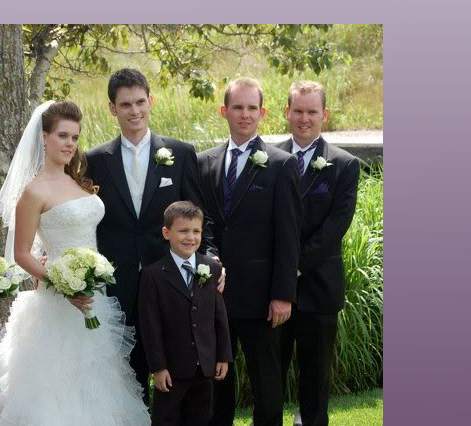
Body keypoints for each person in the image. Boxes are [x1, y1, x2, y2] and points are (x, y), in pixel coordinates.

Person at [0, 100, 150, 425]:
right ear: (44, 138)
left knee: (96, 386)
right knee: (57, 391)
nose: (69, 144)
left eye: (75, 137)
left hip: (93, 297)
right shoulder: (34, 193)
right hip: (56, 302)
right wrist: (64, 285)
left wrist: (86, 282)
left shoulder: (78, 181)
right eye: (62, 136)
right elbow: (22, 254)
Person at [84, 69, 218, 400]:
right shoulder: (94, 160)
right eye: (125, 104)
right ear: (112, 108)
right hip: (118, 281)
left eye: (140, 102)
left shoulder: (181, 153)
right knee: (127, 375)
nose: (135, 111)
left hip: (171, 278)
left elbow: (198, 214)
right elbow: (86, 220)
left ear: (151, 101)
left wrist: (210, 258)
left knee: (174, 370)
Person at [196, 77, 302, 426]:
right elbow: (202, 222)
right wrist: (209, 257)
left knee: (266, 383)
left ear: (262, 113)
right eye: (238, 107)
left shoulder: (282, 164)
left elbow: (289, 236)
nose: (245, 114)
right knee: (216, 383)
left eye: (252, 108)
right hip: (215, 292)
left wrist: (283, 294)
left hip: (262, 297)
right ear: (224, 111)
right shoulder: (204, 162)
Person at [274, 81, 361, 426]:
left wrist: (292, 266)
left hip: (319, 287)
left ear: (325, 114)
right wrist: (280, 274)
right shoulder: (266, 159)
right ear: (287, 112)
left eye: (312, 111)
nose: (304, 118)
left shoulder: (344, 165)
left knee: (315, 378)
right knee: (270, 373)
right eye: (298, 111)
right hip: (274, 291)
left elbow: (335, 227)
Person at [138, 201, 231, 426]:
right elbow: (150, 325)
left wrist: (223, 356)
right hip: (172, 368)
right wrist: (158, 367)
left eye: (196, 231)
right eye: (183, 231)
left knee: (200, 418)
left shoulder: (212, 268)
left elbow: (220, 317)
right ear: (166, 233)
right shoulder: (153, 275)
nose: (191, 237)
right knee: (166, 419)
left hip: (205, 365)